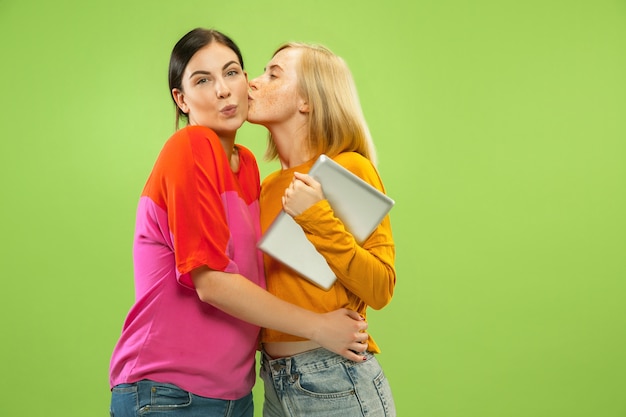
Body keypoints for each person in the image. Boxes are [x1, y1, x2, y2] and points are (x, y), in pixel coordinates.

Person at [109, 29, 370, 417]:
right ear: (181, 99)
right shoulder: (189, 146)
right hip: (169, 392)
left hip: (235, 395)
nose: (223, 90)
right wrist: (318, 327)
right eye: (202, 80)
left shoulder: (247, 167)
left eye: (231, 73)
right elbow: (212, 283)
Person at [247, 42, 397, 416]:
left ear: (308, 101)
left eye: (273, 73)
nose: (253, 82)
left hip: (335, 378)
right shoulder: (265, 189)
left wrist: (315, 215)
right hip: (274, 382)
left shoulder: (351, 168)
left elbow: (380, 288)